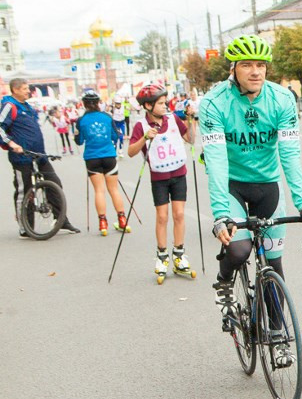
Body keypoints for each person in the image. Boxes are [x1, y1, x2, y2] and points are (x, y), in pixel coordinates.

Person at [200, 35, 302, 366]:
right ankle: (224, 281)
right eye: (248, 65)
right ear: (233, 69)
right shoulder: (214, 103)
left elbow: (290, 155)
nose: (256, 72)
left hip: (267, 185)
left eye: (261, 65)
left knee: (273, 264)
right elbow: (216, 162)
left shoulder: (282, 100)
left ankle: (279, 336)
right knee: (239, 249)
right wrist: (222, 215)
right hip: (232, 186)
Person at [128, 83, 195, 280]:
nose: (165, 106)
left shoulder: (173, 119)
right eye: (160, 103)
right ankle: (162, 256)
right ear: (148, 106)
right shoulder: (141, 126)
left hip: (178, 173)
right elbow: (131, 152)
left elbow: (190, 139)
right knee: (162, 217)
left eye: (165, 103)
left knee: (179, 214)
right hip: (159, 177)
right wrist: (145, 139)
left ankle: (179, 254)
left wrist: (190, 119)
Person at [1, 78, 80, 235]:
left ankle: (61, 220)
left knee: (54, 183)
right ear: (15, 90)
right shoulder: (9, 105)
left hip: (39, 154)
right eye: (24, 88)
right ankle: (25, 227)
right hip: (21, 157)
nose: (28, 91)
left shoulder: (27, 106)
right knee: (25, 191)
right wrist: (11, 144)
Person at [74, 91, 129, 236]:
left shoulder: (81, 120)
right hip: (109, 156)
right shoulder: (107, 117)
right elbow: (116, 135)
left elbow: (79, 141)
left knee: (99, 190)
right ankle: (122, 219)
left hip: (92, 158)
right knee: (114, 189)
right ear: (99, 102)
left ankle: (102, 222)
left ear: (84, 104)